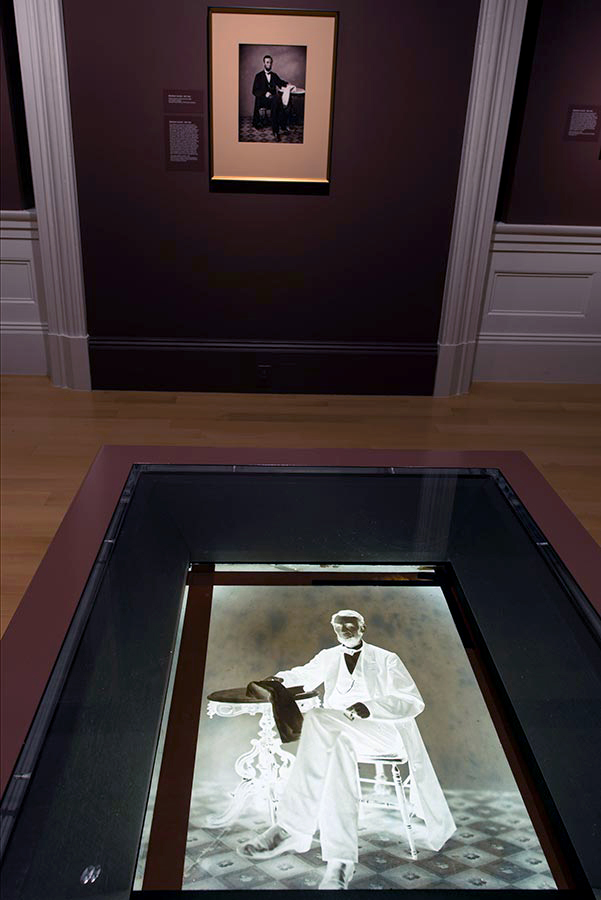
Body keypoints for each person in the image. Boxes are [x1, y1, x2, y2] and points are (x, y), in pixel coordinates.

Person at [238, 609, 456, 890]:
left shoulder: (386, 658)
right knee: (333, 745)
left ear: (362, 627)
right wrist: (277, 680)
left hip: (382, 732)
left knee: (317, 719)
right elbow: (302, 674)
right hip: (340, 732)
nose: (345, 631)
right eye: (340, 627)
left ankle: (292, 828)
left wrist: (371, 707)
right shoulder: (328, 656)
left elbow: (412, 701)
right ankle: (340, 863)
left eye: (351, 626)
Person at [252, 54, 293, 141]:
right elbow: (254, 91)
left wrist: (287, 84)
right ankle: (282, 126)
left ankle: (276, 130)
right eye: (267, 62)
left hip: (272, 100)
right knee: (278, 100)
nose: (269, 64)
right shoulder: (258, 76)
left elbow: (280, 82)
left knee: (277, 100)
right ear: (264, 63)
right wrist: (264, 93)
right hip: (263, 100)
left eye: (270, 63)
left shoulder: (274, 75)